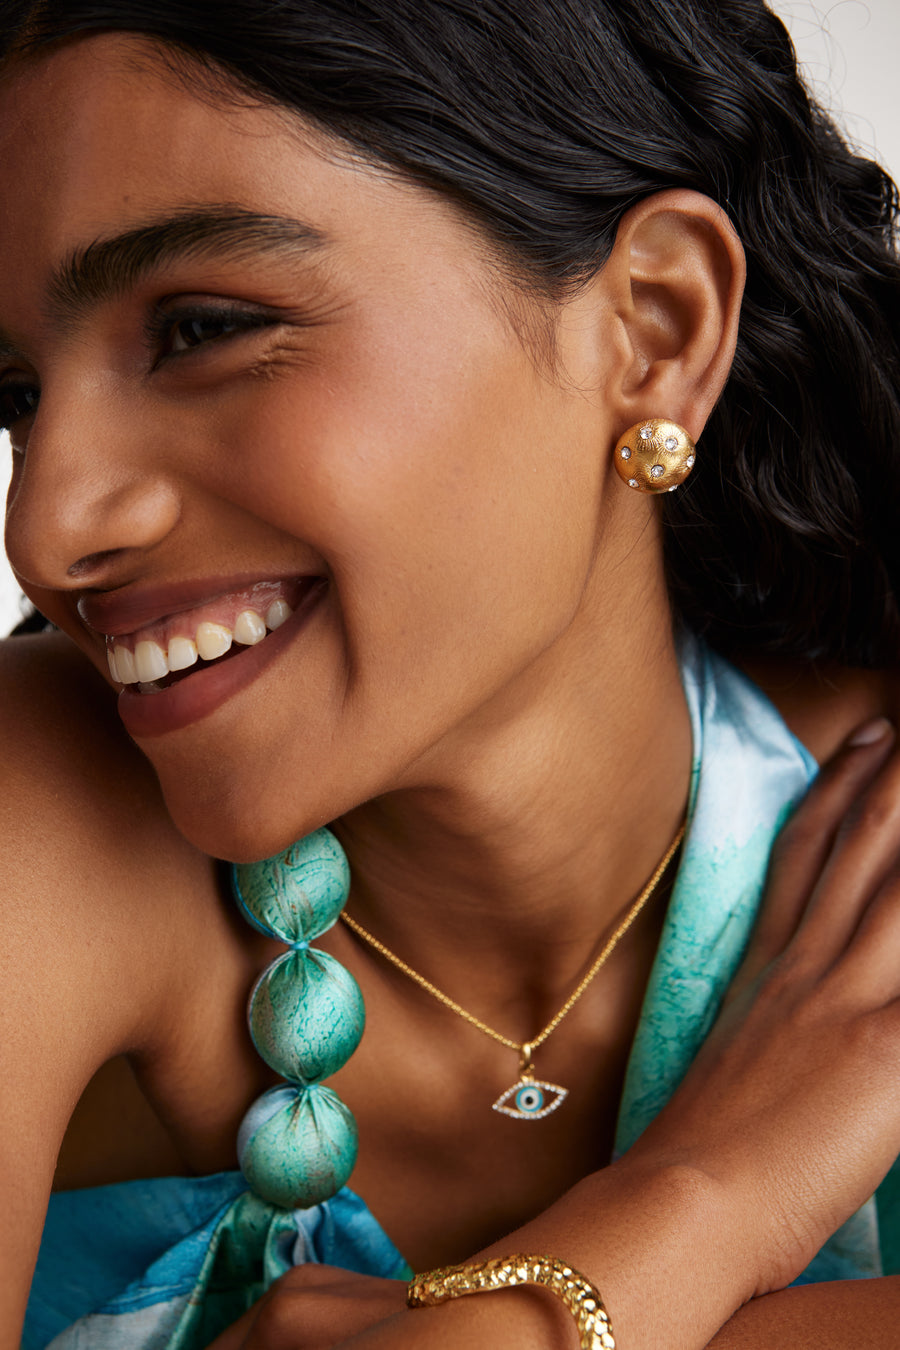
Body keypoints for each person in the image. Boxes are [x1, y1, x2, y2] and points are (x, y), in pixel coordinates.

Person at [3, 1, 900, 1346]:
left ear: (653, 329)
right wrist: (710, 1194)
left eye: (200, 327)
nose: (49, 526)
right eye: (14, 393)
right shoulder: (41, 817)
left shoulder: (871, 835)